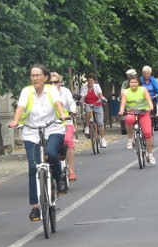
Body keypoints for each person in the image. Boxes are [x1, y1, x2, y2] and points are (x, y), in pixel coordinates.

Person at [8, 65, 68, 221]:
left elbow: (58, 104)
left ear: (45, 77)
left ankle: (59, 177)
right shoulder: (26, 92)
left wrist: (62, 114)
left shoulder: (51, 90)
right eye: (32, 75)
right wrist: (15, 121)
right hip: (32, 131)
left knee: (51, 153)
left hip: (52, 127)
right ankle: (35, 207)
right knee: (33, 167)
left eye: (38, 75)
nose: (34, 78)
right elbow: (20, 107)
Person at [119, 75, 156, 164]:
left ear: (138, 83)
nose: (133, 84)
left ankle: (150, 154)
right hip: (131, 112)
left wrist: (150, 107)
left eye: (135, 82)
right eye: (131, 82)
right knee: (128, 119)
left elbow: (149, 100)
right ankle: (130, 139)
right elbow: (123, 104)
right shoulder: (126, 92)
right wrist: (121, 111)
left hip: (143, 113)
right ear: (129, 83)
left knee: (147, 133)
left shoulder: (143, 90)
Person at [49, 71, 78, 181]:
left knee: (67, 141)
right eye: (50, 82)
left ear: (60, 83)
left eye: (55, 82)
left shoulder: (65, 92)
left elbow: (71, 103)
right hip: (50, 124)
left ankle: (71, 170)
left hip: (66, 122)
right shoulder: (45, 93)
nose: (53, 85)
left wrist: (73, 111)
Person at [80, 73, 108, 148]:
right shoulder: (84, 87)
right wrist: (80, 102)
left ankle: (103, 139)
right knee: (88, 111)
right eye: (89, 80)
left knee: (100, 123)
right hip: (88, 104)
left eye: (91, 80)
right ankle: (86, 127)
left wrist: (103, 99)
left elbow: (100, 95)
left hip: (97, 104)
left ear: (94, 81)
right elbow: (82, 96)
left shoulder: (97, 86)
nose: (90, 82)